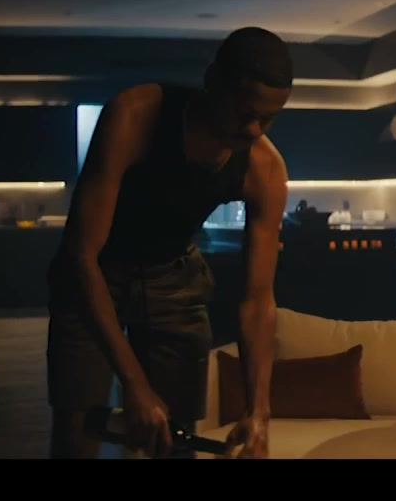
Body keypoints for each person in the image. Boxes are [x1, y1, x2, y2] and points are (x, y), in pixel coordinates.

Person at [46, 27, 293, 459]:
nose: (254, 129)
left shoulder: (264, 168)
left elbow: (257, 301)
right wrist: (135, 386)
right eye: (245, 112)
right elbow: (82, 255)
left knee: (173, 437)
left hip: (173, 276)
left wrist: (259, 411)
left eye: (268, 119)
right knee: (78, 430)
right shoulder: (135, 115)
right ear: (213, 82)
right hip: (96, 272)